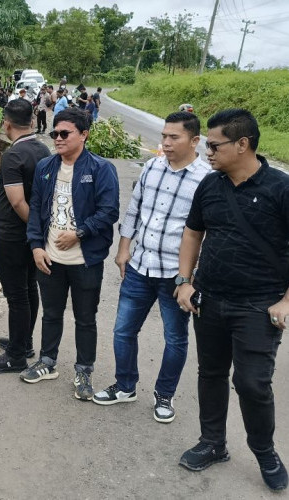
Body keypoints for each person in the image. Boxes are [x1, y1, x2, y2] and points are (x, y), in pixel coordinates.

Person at [175, 109, 289, 491]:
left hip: (258, 305)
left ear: (242, 144)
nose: (207, 151)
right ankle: (213, 443)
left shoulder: (280, 189)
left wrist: (287, 301)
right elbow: (193, 233)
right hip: (209, 299)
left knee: (252, 382)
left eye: (213, 144)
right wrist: (184, 281)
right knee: (210, 374)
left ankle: (264, 451)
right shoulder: (209, 186)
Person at [92, 112, 211, 423]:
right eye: (164, 136)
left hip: (176, 275)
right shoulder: (152, 167)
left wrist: (192, 277)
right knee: (123, 330)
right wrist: (123, 249)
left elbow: (207, 233)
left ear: (194, 140)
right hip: (140, 266)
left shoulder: (207, 179)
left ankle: (164, 396)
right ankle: (126, 385)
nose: (166, 143)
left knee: (175, 338)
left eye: (175, 137)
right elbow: (134, 211)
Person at [23, 108, 119, 400]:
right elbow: (37, 208)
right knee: (51, 314)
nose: (58, 139)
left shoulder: (101, 169)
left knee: (85, 318)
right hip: (50, 258)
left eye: (65, 134)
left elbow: (109, 211)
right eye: (55, 133)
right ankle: (47, 361)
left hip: (85, 261)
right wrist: (36, 246)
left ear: (84, 135)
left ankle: (83, 370)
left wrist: (79, 232)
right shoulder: (45, 167)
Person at [0, 98, 51, 374]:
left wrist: (33, 229)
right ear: (32, 122)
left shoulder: (13, 156)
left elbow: (18, 202)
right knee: (28, 289)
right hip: (31, 238)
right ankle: (24, 342)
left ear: (6, 123)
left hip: (14, 235)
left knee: (16, 295)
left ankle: (16, 356)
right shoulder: (43, 149)